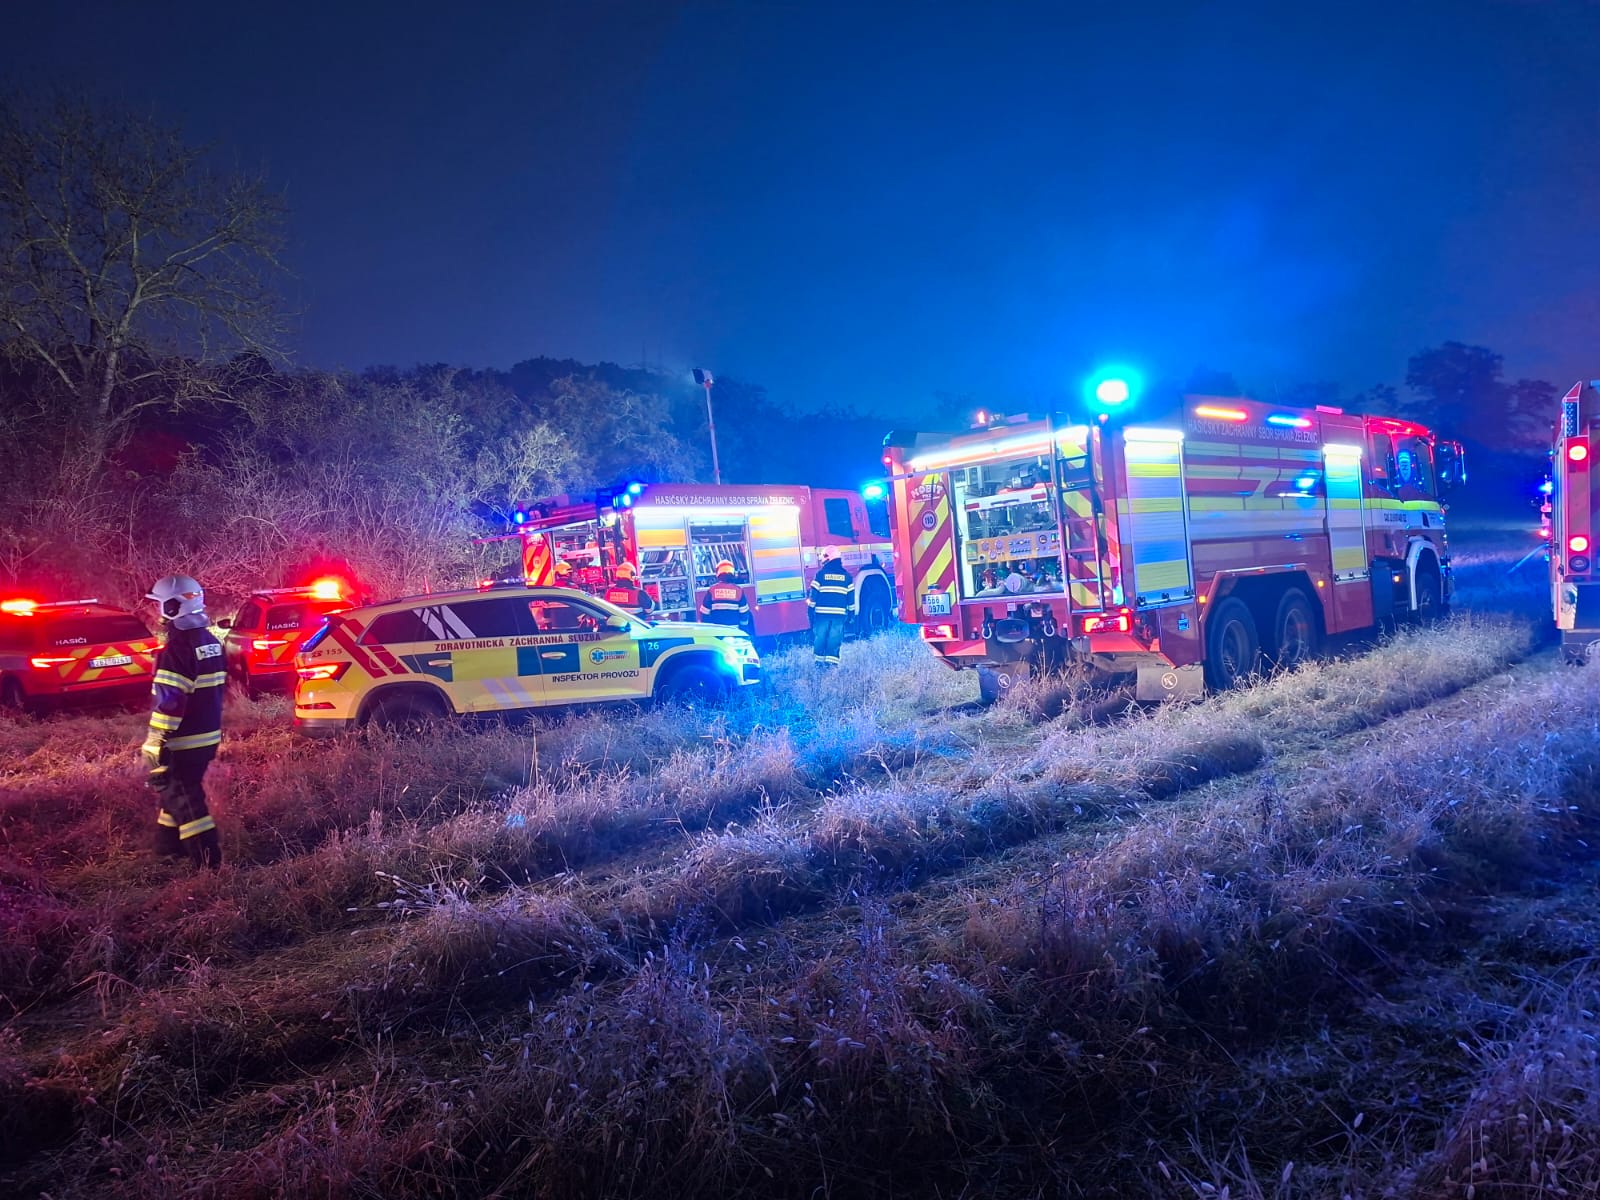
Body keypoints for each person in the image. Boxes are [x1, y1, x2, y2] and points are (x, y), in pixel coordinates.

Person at [141, 574, 226, 869]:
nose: (157, 611)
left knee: (184, 796)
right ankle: (167, 851)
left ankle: (208, 862)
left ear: (173, 607)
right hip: (207, 735)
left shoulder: (177, 650)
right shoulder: (211, 642)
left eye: (159, 604)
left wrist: (156, 740)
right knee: (174, 792)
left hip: (183, 740)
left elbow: (170, 702)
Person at [807, 548, 853, 666]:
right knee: (834, 640)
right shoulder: (847, 577)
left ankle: (819, 665)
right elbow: (851, 599)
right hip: (839, 616)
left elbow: (813, 595)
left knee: (820, 638)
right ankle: (832, 667)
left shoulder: (820, 575)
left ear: (828, 558)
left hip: (822, 615)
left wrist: (810, 610)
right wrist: (851, 615)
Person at [698, 560, 751, 632]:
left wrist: (708, 630)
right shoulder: (738, 591)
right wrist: (743, 630)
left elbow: (704, 613)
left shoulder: (712, 590)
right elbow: (744, 613)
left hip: (717, 632)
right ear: (732, 574)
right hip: (734, 631)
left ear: (718, 574)